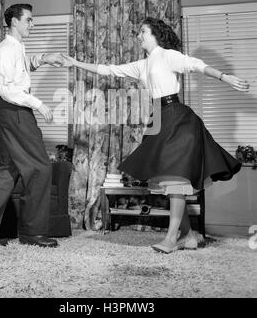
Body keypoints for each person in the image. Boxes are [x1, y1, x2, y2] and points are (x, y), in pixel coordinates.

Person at [60, 17, 250, 253]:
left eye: (143, 31)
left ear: (155, 34)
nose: (138, 35)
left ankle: (171, 239)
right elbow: (109, 70)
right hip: (158, 118)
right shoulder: (143, 64)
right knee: (169, 178)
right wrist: (75, 62)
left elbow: (196, 64)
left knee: (177, 179)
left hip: (178, 118)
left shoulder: (167, 55)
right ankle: (189, 235)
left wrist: (225, 77)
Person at [0, 3, 64, 248]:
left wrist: (44, 58)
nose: (32, 24)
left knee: (5, 171)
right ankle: (32, 233)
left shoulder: (16, 49)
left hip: (13, 113)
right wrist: (39, 104)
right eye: (29, 20)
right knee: (40, 168)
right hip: (15, 112)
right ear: (14, 21)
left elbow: (22, 69)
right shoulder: (4, 50)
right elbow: (8, 89)